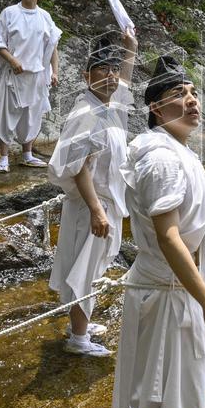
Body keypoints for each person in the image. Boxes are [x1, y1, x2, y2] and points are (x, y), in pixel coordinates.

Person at [112, 55, 205, 408]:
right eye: (180, 94)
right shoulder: (162, 160)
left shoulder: (176, 150)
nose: (193, 100)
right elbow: (168, 237)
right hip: (171, 294)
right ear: (155, 107)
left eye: (195, 93)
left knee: (172, 400)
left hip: (178, 291)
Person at [47, 32, 138, 357]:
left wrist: (131, 48)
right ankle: (79, 339)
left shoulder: (109, 107)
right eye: (103, 70)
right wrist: (97, 210)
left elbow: (124, 81)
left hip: (105, 203)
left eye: (114, 69)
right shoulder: (86, 112)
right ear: (87, 76)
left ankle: (80, 325)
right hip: (91, 207)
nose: (111, 75)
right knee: (82, 268)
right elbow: (78, 166)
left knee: (93, 266)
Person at [0, 0, 62, 172]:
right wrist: (12, 60)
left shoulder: (45, 16)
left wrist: (54, 72)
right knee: (6, 115)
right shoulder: (9, 13)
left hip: (36, 75)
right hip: (13, 75)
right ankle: (4, 158)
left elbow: (52, 46)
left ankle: (27, 154)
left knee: (32, 116)